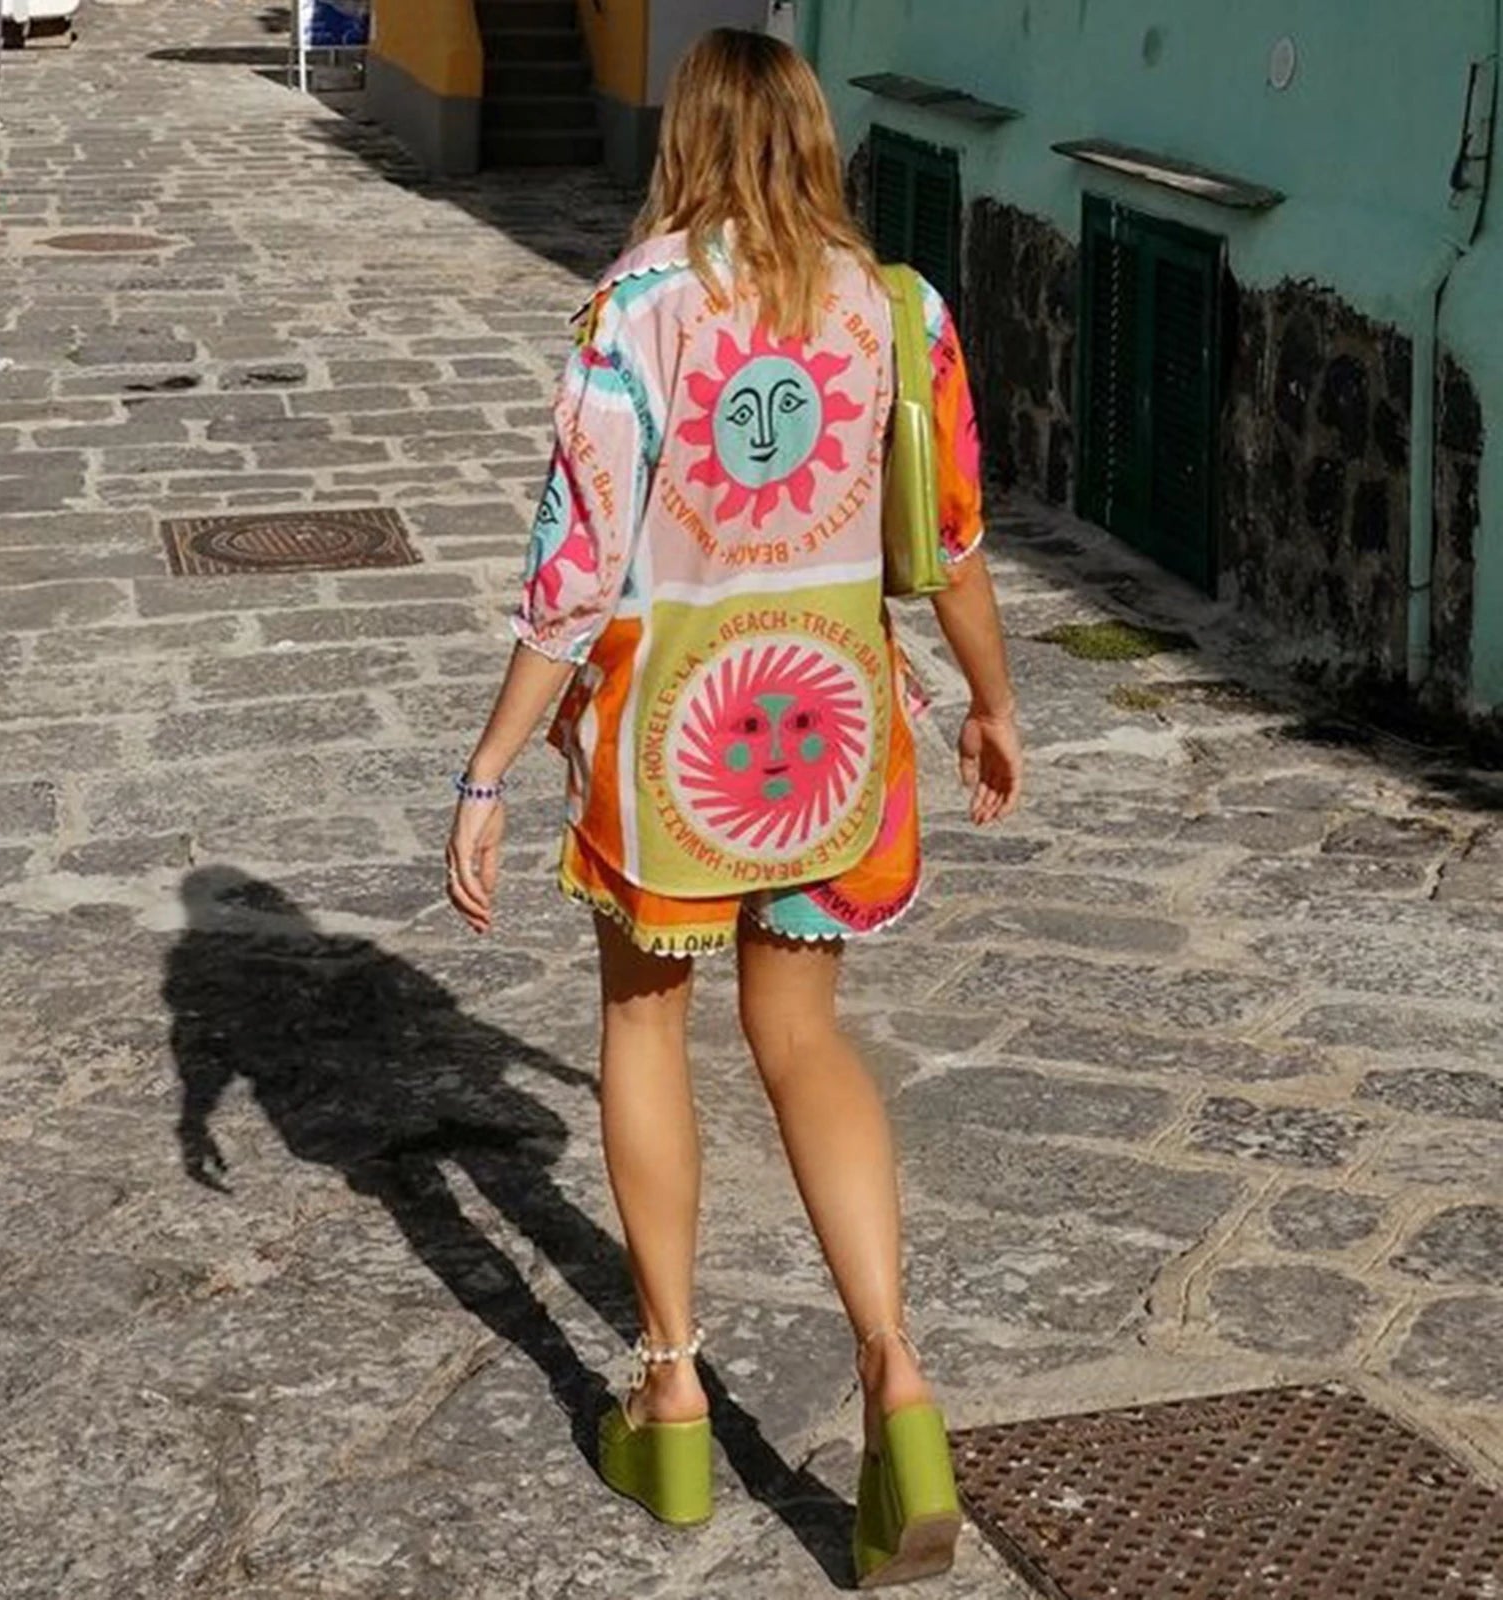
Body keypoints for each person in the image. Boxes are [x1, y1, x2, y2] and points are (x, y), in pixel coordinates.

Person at [446, 27, 1022, 1590]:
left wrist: (487, 772)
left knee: (647, 1027)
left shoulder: (632, 316)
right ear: (819, 139)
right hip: (836, 738)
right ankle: (898, 1377)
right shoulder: (896, 308)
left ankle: (673, 1388)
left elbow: (571, 584)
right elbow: (952, 536)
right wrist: (992, 698)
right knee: (805, 1041)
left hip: (672, 751)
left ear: (685, 137)